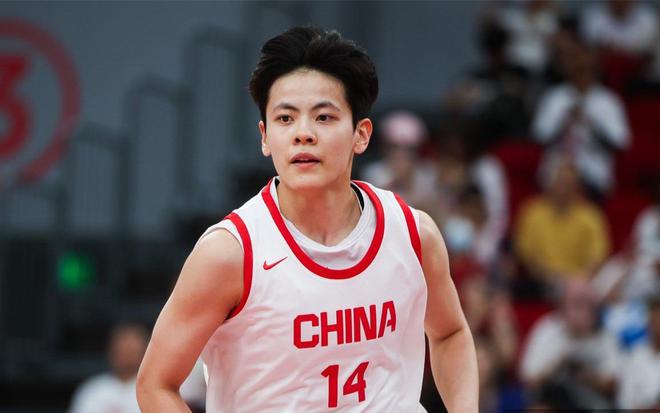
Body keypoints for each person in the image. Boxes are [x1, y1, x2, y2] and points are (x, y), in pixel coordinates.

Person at [136, 26, 478, 412]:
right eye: (285, 119)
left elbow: (450, 333)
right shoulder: (230, 254)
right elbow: (155, 384)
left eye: (323, 117)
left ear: (361, 135)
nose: (303, 134)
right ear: (265, 137)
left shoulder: (414, 234)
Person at [69, 323, 148, 413]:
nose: (126, 356)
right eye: (121, 350)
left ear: (144, 352)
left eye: (131, 351)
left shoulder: (150, 391)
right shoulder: (92, 390)